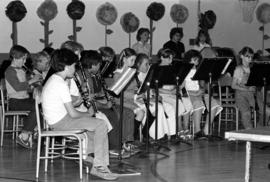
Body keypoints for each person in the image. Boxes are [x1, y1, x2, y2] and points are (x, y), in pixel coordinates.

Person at [41, 48, 118, 180]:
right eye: (73, 65)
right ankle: (99, 167)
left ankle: (89, 157)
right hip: (61, 122)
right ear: (66, 67)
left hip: (57, 120)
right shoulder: (60, 84)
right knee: (100, 125)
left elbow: (70, 106)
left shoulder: (55, 79)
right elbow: (73, 114)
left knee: (95, 126)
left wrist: (80, 101)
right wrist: (89, 113)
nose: (75, 68)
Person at [79, 50, 136, 157]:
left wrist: (106, 96)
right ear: (93, 64)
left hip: (99, 103)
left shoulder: (95, 75)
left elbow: (98, 92)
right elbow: (89, 97)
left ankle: (120, 144)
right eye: (100, 64)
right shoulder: (86, 76)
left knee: (119, 113)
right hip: (91, 107)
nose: (101, 66)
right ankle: (113, 148)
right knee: (113, 115)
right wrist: (104, 103)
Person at [4, 45, 43, 148]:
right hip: (15, 101)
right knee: (36, 108)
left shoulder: (21, 70)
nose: (25, 62)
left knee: (42, 106)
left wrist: (35, 85)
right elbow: (17, 87)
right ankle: (24, 135)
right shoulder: (10, 71)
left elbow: (25, 87)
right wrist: (32, 80)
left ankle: (36, 132)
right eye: (23, 59)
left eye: (25, 59)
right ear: (14, 57)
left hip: (23, 99)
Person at [133, 53, 175, 140]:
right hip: (139, 100)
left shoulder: (147, 75)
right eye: (146, 64)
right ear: (138, 64)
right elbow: (137, 93)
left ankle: (170, 133)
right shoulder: (135, 76)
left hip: (148, 98)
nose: (148, 66)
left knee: (169, 107)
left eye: (149, 64)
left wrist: (156, 95)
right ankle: (155, 135)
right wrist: (150, 98)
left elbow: (151, 89)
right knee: (158, 108)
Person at [184, 49, 222, 138]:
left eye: (197, 60)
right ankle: (197, 131)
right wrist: (194, 93)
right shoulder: (184, 71)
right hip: (190, 94)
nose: (196, 62)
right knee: (198, 104)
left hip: (198, 93)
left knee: (215, 104)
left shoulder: (199, 70)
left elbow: (201, 86)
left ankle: (206, 130)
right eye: (194, 59)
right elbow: (181, 89)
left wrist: (202, 90)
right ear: (188, 59)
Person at [157, 48, 193, 139]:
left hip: (172, 93)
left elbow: (177, 83)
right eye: (169, 58)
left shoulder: (172, 68)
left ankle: (186, 128)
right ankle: (179, 129)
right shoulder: (157, 69)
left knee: (187, 103)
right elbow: (156, 88)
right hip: (162, 95)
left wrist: (178, 87)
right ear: (162, 57)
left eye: (172, 58)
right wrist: (170, 91)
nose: (171, 60)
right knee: (178, 104)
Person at [232, 47, 270, 129]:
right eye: (247, 56)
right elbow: (233, 85)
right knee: (246, 113)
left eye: (251, 57)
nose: (250, 59)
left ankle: (260, 128)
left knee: (267, 111)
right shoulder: (238, 69)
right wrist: (247, 89)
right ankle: (249, 132)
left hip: (254, 94)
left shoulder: (253, 69)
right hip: (241, 95)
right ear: (241, 56)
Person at [113, 48, 145, 140]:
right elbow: (119, 92)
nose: (134, 62)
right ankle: (130, 138)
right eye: (132, 60)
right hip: (121, 100)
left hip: (130, 99)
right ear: (124, 59)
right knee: (140, 113)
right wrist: (135, 96)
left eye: (135, 60)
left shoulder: (131, 72)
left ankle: (135, 136)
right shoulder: (117, 74)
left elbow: (133, 87)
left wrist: (138, 92)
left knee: (144, 110)